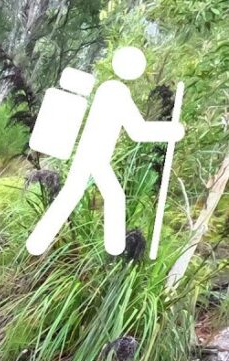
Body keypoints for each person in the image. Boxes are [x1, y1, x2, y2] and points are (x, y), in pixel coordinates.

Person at [25, 47, 185, 256]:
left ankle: (44, 242)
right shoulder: (116, 92)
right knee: (102, 194)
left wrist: (170, 132)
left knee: (83, 193)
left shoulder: (109, 89)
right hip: (94, 156)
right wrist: (172, 131)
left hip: (93, 155)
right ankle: (110, 247)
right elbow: (137, 130)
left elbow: (135, 130)